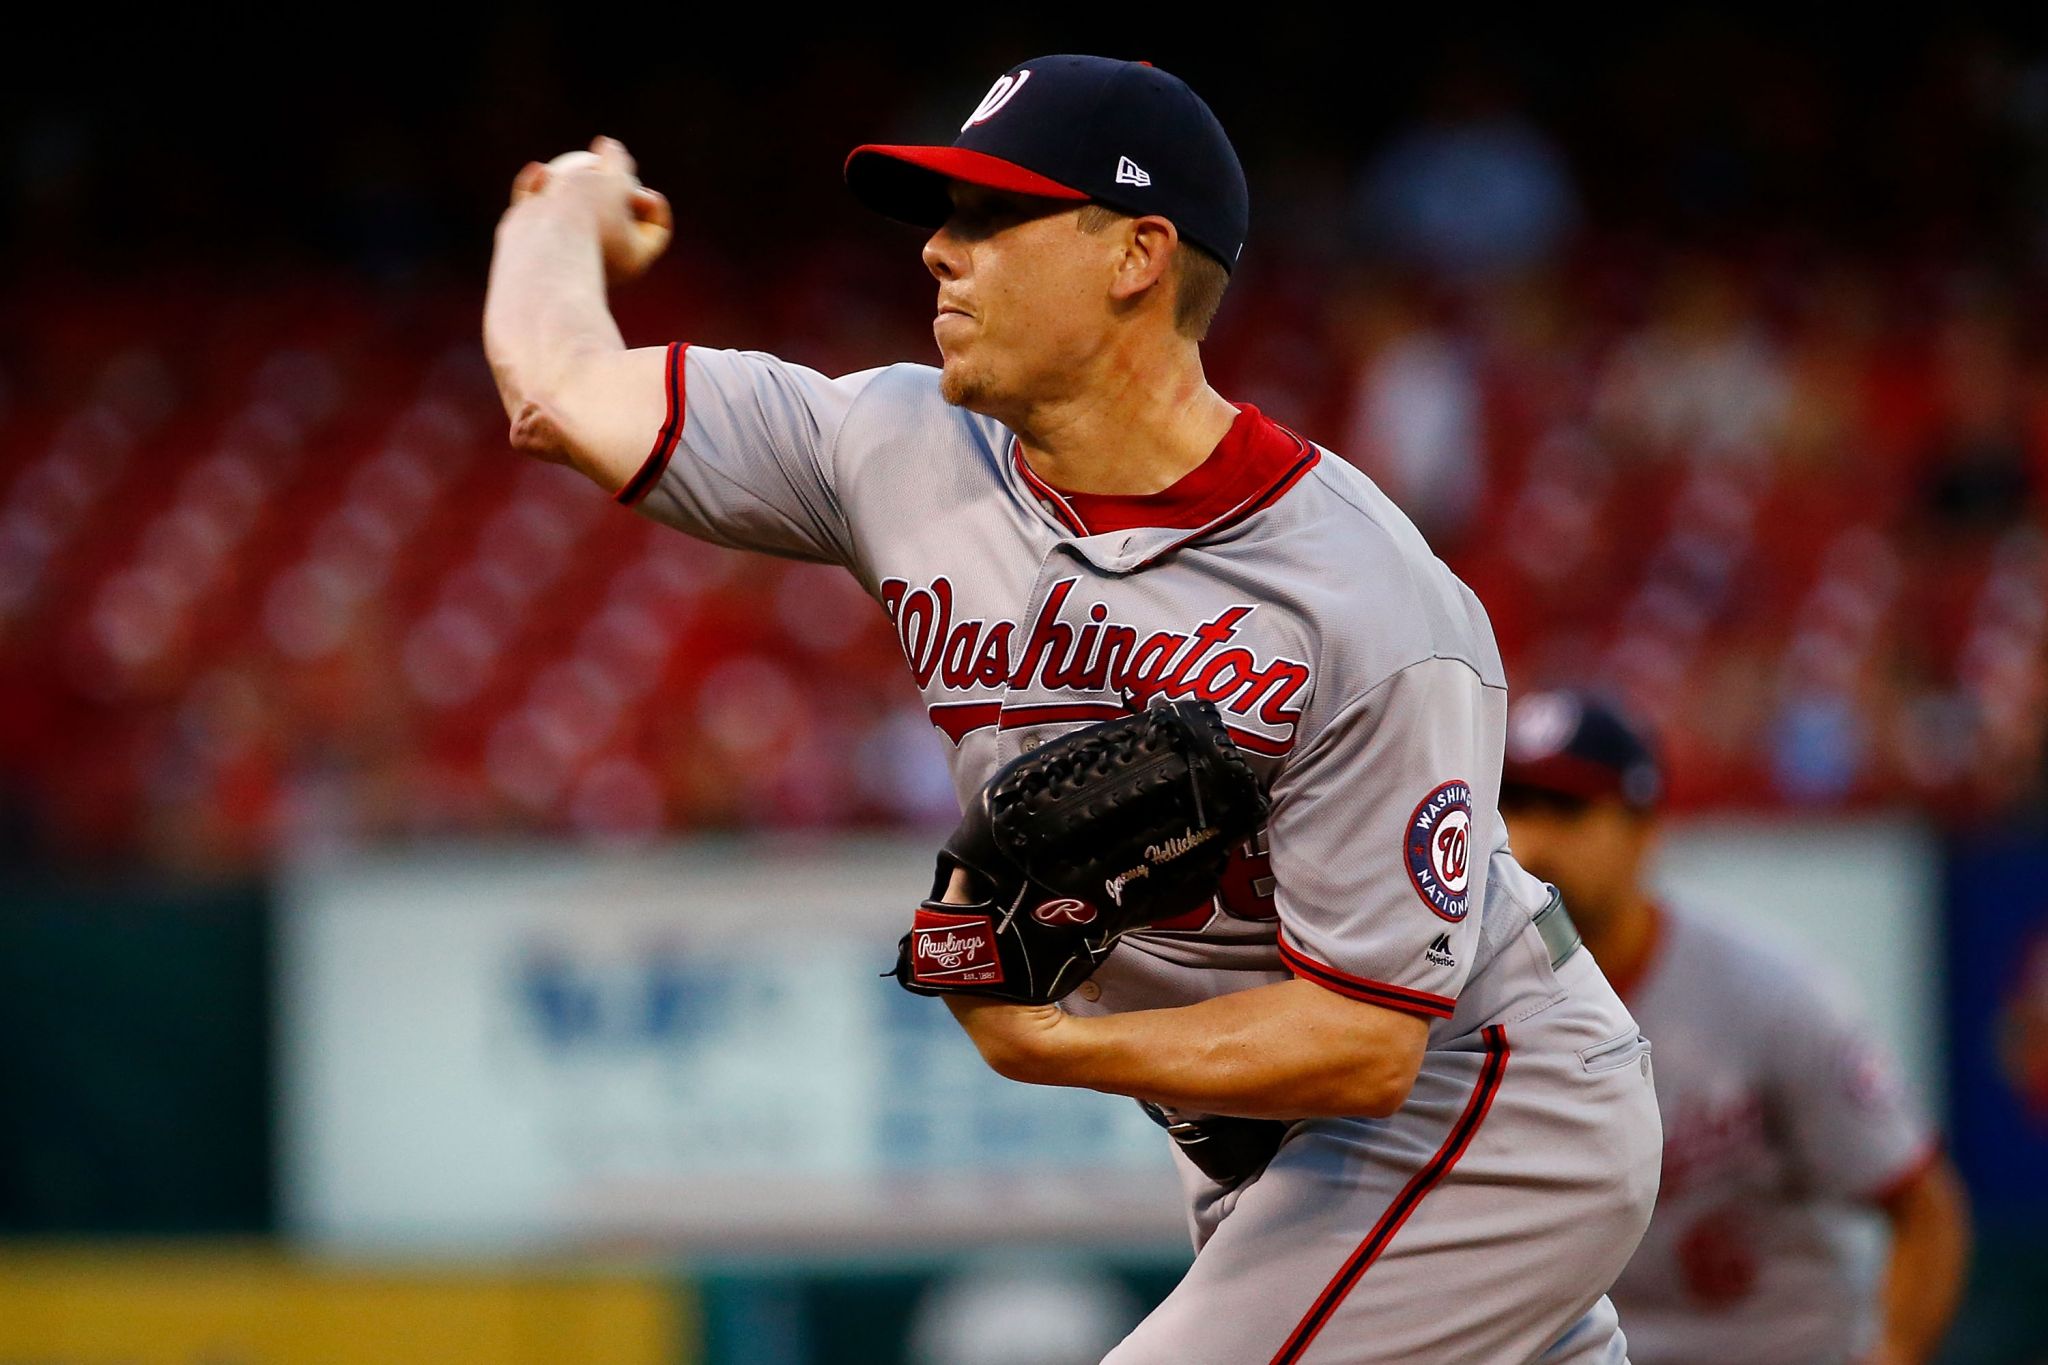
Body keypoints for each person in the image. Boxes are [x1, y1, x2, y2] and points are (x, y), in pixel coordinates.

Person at [483, 55, 1660, 1362]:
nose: (940, 252)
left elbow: (1370, 1038)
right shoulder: (892, 446)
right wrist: (555, 209)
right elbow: (558, 389)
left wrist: (1042, 1042)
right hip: (1267, 1154)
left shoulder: (1366, 599)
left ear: (1137, 256)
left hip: (1477, 1103)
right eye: (940, 216)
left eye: (993, 218)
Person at [1498, 690, 1971, 1365]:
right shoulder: (1469, 1002)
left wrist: (1892, 1350)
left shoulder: (1769, 995)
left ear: (1645, 829)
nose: (1534, 841)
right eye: (1514, 808)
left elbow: (1924, 1208)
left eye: (1570, 811)